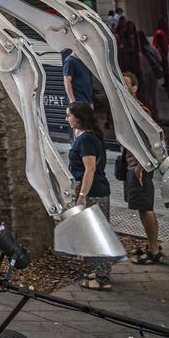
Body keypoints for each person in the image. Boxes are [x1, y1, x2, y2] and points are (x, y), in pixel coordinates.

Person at [66, 102, 114, 290]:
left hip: (95, 192)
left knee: (98, 234)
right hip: (96, 190)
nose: (67, 119)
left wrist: (83, 195)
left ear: (79, 117)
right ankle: (100, 270)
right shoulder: (88, 136)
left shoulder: (86, 139)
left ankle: (103, 279)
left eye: (69, 115)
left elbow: (90, 168)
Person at [120, 72, 162, 265]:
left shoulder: (139, 110)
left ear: (135, 88)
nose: (122, 87)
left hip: (139, 167)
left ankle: (154, 250)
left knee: (145, 207)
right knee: (142, 207)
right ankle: (152, 244)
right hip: (132, 164)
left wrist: (140, 167)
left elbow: (149, 140)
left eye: (127, 84)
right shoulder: (127, 108)